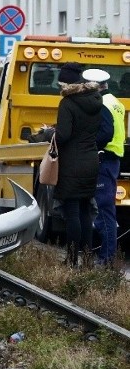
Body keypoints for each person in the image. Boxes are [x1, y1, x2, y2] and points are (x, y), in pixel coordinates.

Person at [54, 62, 103, 267]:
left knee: (72, 211)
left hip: (72, 163)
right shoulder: (96, 99)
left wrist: (52, 133)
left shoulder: (68, 103)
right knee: (85, 211)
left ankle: (72, 259)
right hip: (91, 160)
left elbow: (64, 135)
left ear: (66, 82)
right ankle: (88, 259)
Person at [83, 68, 125, 266]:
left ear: (95, 86)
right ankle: (106, 257)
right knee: (105, 210)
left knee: (103, 211)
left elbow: (106, 132)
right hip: (113, 159)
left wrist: (89, 146)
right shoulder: (116, 102)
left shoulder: (102, 104)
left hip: (104, 159)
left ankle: (106, 259)